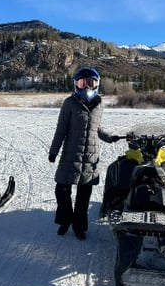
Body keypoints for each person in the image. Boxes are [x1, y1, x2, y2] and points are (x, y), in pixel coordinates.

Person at [48, 66, 119, 240]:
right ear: (76, 85)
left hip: (90, 157)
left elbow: (96, 128)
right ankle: (65, 220)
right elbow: (61, 130)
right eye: (82, 83)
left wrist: (110, 137)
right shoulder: (69, 103)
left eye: (90, 83)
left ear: (96, 85)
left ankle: (79, 226)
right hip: (71, 154)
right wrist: (53, 151)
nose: (86, 87)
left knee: (83, 195)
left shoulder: (99, 104)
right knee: (62, 190)